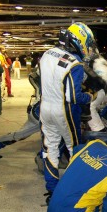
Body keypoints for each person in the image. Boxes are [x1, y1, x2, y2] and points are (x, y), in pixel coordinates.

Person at [40, 22, 97, 199]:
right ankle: (74, 190)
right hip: (64, 111)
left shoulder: (46, 54)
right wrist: (90, 96)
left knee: (50, 149)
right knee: (75, 149)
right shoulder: (74, 63)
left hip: (45, 108)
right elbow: (73, 96)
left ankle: (52, 188)